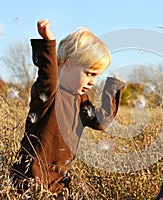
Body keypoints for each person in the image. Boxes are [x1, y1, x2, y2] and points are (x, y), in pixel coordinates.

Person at [10, 19, 125, 194]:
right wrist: (48, 42)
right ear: (68, 63)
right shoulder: (49, 93)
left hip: (58, 183)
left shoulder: (81, 101)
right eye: (89, 74)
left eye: (97, 76)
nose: (93, 82)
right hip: (30, 178)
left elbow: (101, 121)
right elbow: (48, 76)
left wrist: (114, 87)